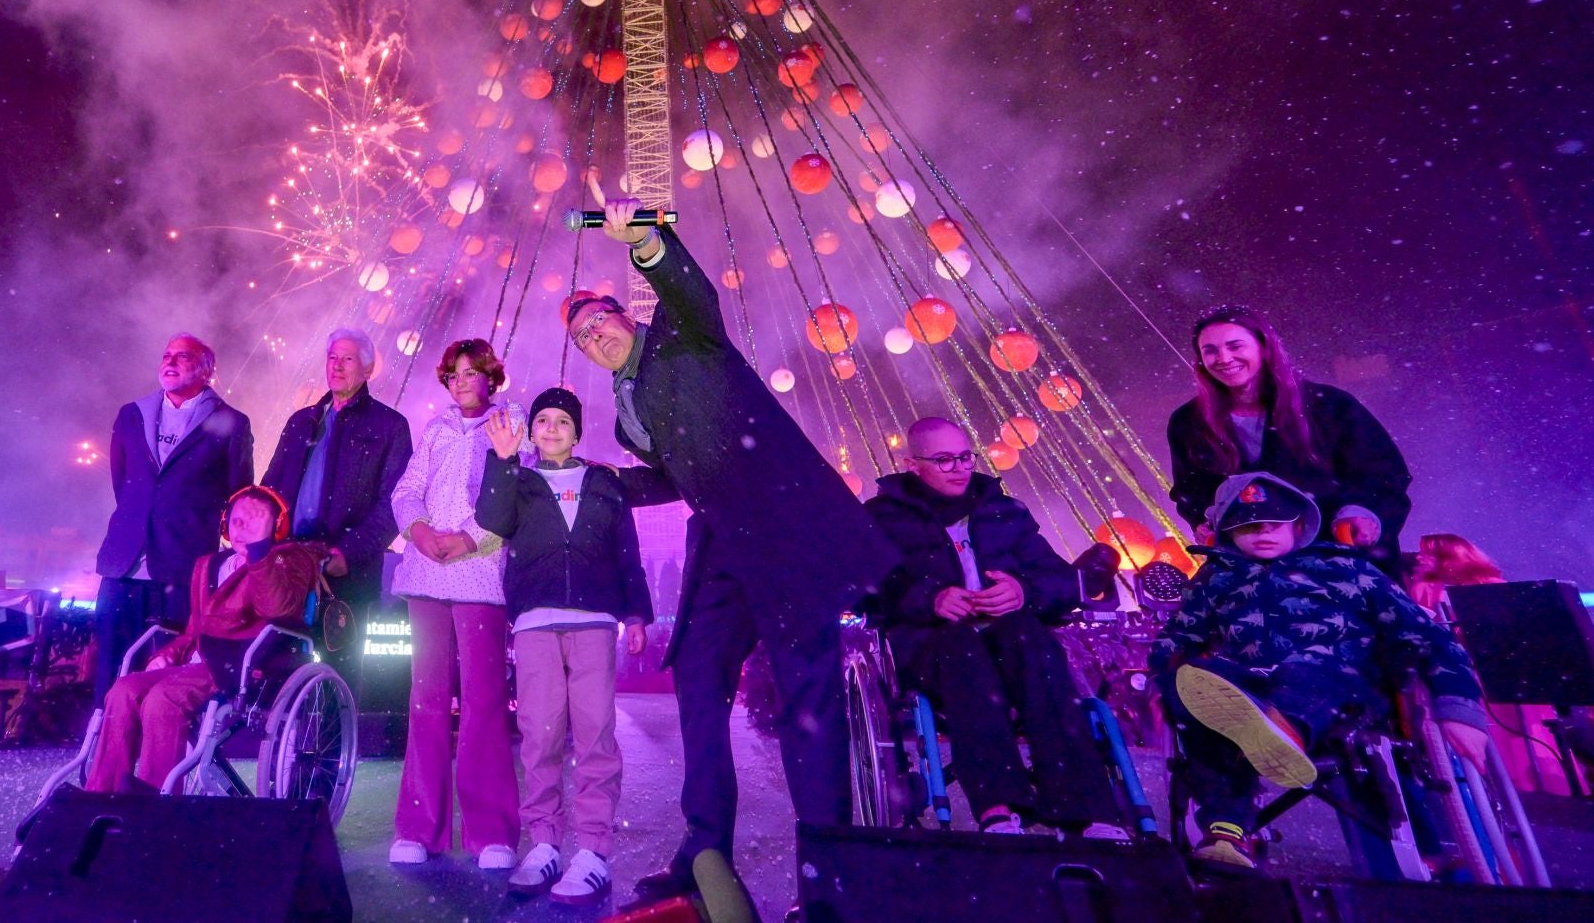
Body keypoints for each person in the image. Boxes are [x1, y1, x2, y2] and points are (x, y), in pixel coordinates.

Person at [566, 192, 900, 908]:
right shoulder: (627, 415)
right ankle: (704, 848)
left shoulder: (685, 336)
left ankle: (829, 869)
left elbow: (689, 288)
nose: (597, 339)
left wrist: (648, 245)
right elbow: (668, 475)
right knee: (695, 675)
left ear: (628, 318)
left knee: (804, 695)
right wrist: (594, 483)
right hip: (720, 538)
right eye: (584, 340)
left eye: (601, 323)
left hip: (782, 529)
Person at [1150, 472, 1493, 869]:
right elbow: (1176, 639)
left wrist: (1459, 707)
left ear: (1298, 525)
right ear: (1227, 530)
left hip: (1340, 687)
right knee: (1198, 686)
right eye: (1248, 526)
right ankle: (1228, 829)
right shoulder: (1214, 579)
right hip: (1249, 686)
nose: (1263, 533)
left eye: (1273, 524)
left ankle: (1282, 730)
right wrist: (1162, 683)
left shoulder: (1346, 569)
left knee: (1303, 671)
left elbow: (1425, 635)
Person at [867, 418, 1125, 838]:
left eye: (965, 456)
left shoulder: (1003, 511)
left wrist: (1024, 592)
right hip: (936, 645)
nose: (959, 468)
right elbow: (866, 585)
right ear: (913, 465)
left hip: (1009, 638)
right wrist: (929, 598)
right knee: (962, 649)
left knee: (1031, 642)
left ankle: (1087, 810)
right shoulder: (883, 517)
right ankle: (999, 807)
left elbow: (1057, 579)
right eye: (944, 460)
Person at [476, 387, 666, 906]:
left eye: (563, 420)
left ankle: (594, 852)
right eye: (543, 420)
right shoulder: (518, 477)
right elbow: (492, 520)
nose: (553, 427)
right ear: (531, 430)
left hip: (595, 619)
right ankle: (544, 843)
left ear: (578, 431)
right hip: (536, 620)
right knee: (539, 736)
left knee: (595, 733)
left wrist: (637, 613)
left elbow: (627, 548)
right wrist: (503, 458)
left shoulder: (603, 480)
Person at [387, 338, 525, 870]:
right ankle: (420, 829)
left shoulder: (510, 427)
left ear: (492, 377)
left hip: (480, 578)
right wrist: (420, 532)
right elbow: (406, 490)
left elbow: (512, 500)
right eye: (454, 374)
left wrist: (470, 539)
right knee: (425, 700)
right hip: (425, 575)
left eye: (473, 372)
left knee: (484, 703)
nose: (462, 381)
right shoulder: (437, 428)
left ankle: (492, 832)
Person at [87, 486, 323, 794]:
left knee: (163, 698)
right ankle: (100, 793)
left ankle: (154, 797)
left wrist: (260, 551)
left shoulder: (290, 559)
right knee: (123, 690)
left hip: (241, 666)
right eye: (237, 520)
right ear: (225, 524)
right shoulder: (208, 565)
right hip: (197, 664)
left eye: (255, 519)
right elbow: (194, 630)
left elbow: (278, 608)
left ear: (276, 524)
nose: (244, 528)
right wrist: (170, 655)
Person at [1167, 304, 1412, 578]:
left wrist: (1363, 512)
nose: (1223, 358)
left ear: (1263, 347)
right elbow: (1191, 490)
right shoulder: (1188, 422)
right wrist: (1205, 519)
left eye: (1235, 346)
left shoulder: (1330, 407)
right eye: (1210, 350)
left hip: (1340, 562)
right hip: (1251, 572)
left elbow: (1382, 473)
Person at [94, 333, 255, 706]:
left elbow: (238, 493)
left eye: (183, 357)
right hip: (124, 564)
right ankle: (104, 757)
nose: (171, 362)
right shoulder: (132, 414)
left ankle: (164, 761)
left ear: (206, 368)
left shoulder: (230, 422)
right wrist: (143, 521)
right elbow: (123, 482)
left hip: (183, 569)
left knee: (170, 672)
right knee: (111, 670)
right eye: (167, 355)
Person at [261, 327, 413, 688]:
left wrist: (350, 551)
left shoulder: (389, 426)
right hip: (289, 562)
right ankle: (280, 743)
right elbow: (270, 489)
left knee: (337, 673)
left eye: (348, 359)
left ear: (368, 368)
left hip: (346, 570)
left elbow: (395, 502)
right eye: (332, 358)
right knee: (277, 666)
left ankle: (333, 745)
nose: (337, 366)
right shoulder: (302, 421)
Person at [1409, 533, 1583, 795]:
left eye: (1429, 553)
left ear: (1451, 557)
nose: (1419, 557)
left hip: (1504, 679)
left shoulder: (1490, 587)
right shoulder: (1426, 588)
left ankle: (1535, 792)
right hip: (1463, 681)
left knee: (1520, 747)